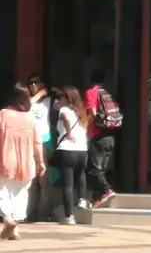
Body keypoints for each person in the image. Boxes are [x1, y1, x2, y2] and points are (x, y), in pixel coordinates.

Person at [0, 83, 46, 240]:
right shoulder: (30, 119)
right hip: (26, 163)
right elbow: (37, 143)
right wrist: (40, 162)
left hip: (5, 161)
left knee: (3, 191)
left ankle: (8, 220)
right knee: (21, 194)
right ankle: (15, 227)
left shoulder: (3, 115)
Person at [54, 87, 90, 225]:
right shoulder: (82, 112)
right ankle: (82, 199)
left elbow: (65, 118)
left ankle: (69, 217)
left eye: (61, 96)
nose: (59, 99)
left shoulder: (64, 109)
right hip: (82, 151)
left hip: (67, 150)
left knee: (67, 185)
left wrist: (68, 132)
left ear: (67, 98)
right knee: (80, 174)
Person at [84, 68, 119, 207]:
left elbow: (92, 113)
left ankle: (106, 191)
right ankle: (97, 199)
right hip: (110, 135)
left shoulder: (91, 92)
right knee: (101, 169)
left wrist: (86, 130)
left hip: (98, 135)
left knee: (93, 169)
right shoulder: (107, 93)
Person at [25, 75, 53, 222]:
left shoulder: (48, 101)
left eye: (36, 82)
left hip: (43, 141)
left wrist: (44, 93)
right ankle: (29, 212)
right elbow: (27, 104)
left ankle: (43, 213)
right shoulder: (27, 100)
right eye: (30, 83)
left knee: (43, 180)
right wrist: (39, 93)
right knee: (31, 180)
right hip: (28, 142)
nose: (33, 85)